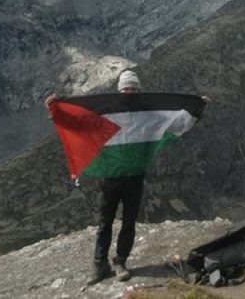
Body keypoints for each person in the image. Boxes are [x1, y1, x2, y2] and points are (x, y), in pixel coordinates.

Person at [46, 70, 209, 285]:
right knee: (105, 222)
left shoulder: (150, 115)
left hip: (134, 177)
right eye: (125, 89)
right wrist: (55, 109)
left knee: (129, 222)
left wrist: (197, 107)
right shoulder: (104, 113)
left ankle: (120, 262)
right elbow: (78, 124)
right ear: (119, 90)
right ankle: (99, 264)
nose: (129, 92)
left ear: (138, 90)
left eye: (133, 89)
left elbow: (175, 121)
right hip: (110, 177)